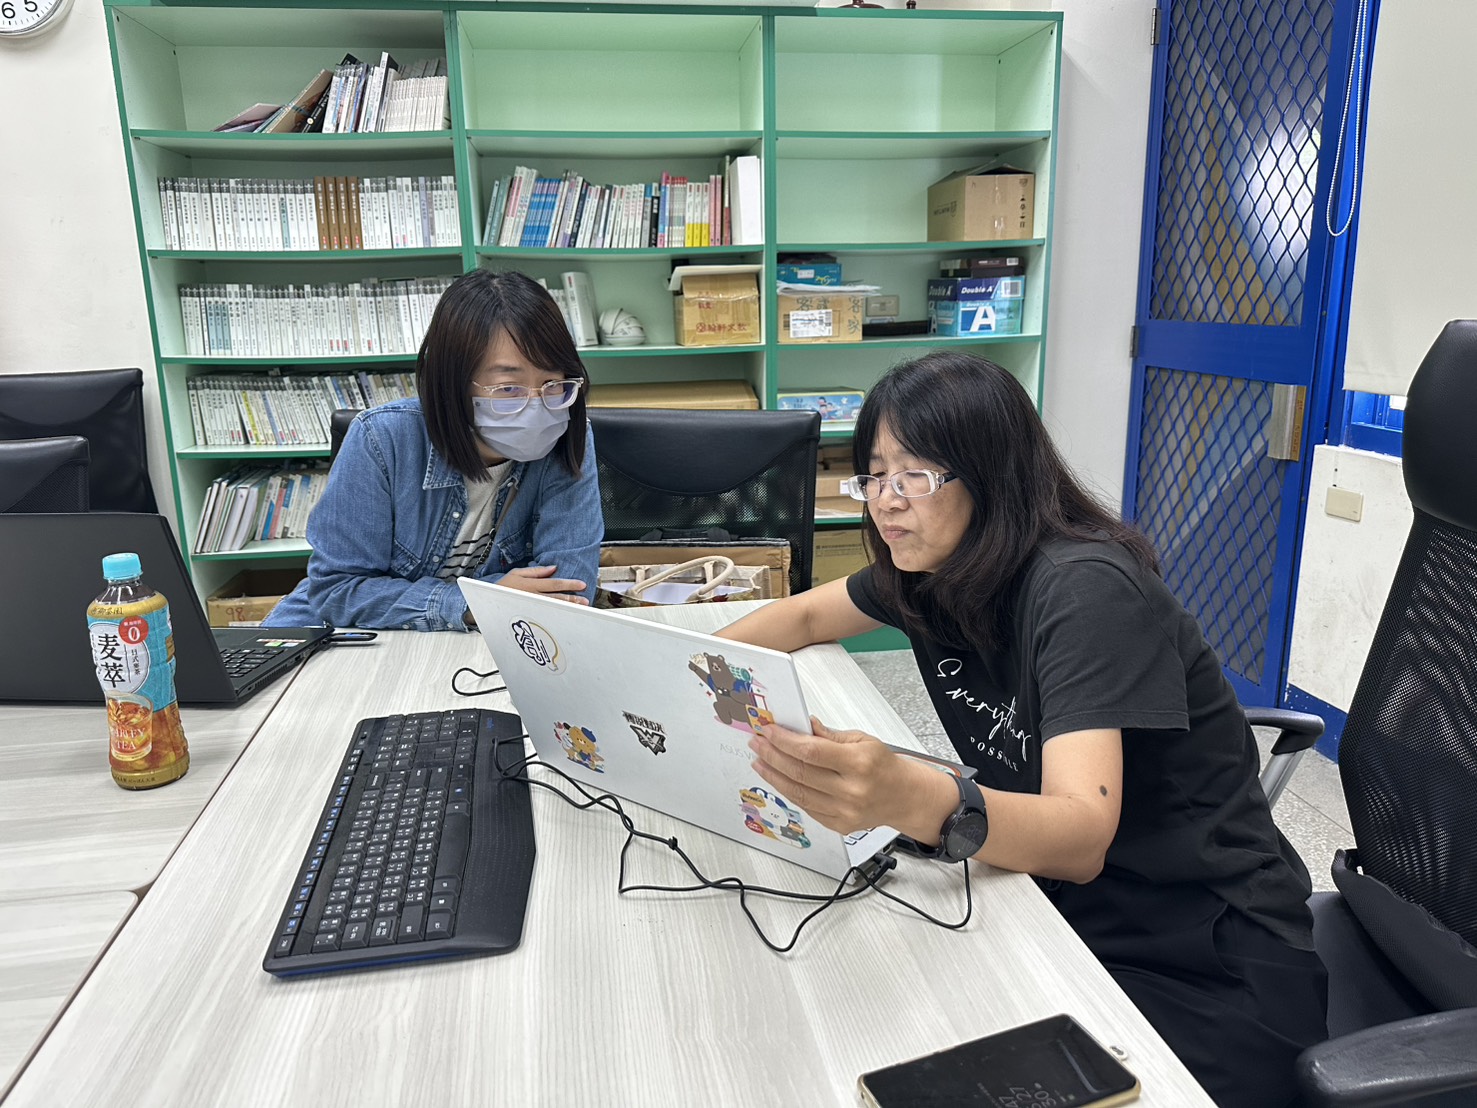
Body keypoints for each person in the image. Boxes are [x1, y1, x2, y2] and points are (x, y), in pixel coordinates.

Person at [716, 351, 1327, 1108]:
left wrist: (913, 796)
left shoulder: (1084, 590)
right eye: (873, 477)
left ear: (992, 475)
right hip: (1060, 903)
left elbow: (1080, 837)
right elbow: (806, 614)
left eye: (914, 476)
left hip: (1201, 949)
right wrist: (686, 663)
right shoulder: (929, 572)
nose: (885, 504)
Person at [264, 269, 602, 631]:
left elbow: (569, 590)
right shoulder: (381, 440)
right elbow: (339, 592)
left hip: (475, 643)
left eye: (553, 384)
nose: (537, 405)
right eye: (508, 388)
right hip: (344, 639)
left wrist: (491, 603)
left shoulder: (569, 436)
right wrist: (480, 601)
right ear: (453, 383)